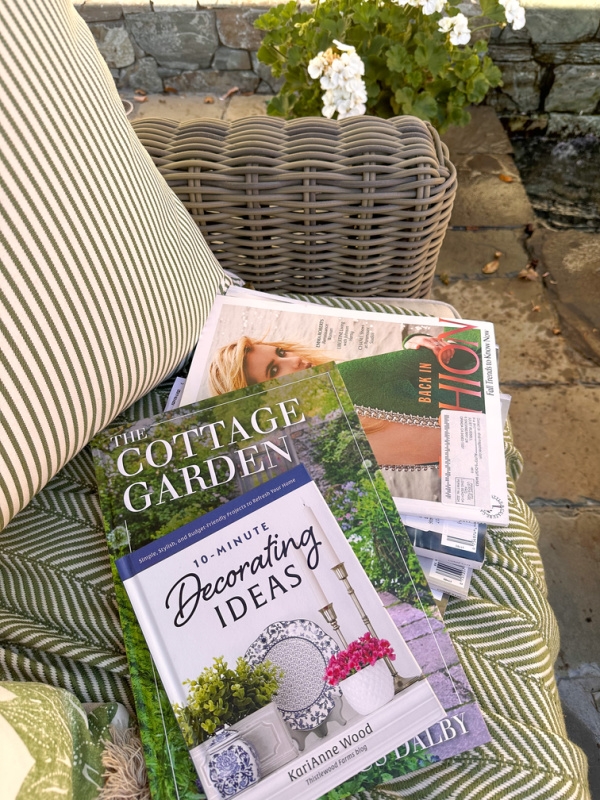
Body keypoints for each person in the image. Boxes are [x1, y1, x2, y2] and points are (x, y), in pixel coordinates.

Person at [208, 336, 441, 471]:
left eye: (281, 352)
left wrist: (412, 343)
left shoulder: (322, 451)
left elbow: (421, 362)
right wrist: (411, 347)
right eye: (275, 370)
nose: (295, 359)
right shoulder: (343, 381)